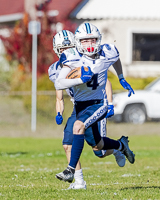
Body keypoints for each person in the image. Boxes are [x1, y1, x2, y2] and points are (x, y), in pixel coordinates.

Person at [55, 23, 135, 183]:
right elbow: (59, 83)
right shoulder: (71, 56)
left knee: (78, 127)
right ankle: (120, 145)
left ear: (99, 40)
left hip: (99, 103)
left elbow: (116, 59)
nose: (90, 44)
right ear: (78, 42)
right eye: (85, 41)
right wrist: (79, 79)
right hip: (80, 107)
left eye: (93, 40)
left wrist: (121, 77)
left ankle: (71, 172)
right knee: (98, 147)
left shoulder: (107, 51)